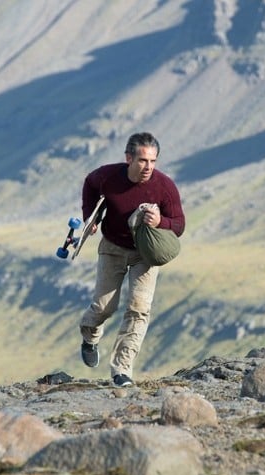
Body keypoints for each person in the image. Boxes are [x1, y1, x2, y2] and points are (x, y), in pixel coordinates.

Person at [78, 132, 185, 387]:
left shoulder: (164, 186)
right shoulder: (107, 176)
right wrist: (89, 218)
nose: (148, 167)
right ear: (129, 158)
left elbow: (179, 225)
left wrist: (161, 222)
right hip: (112, 247)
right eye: (143, 160)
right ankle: (90, 337)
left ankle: (122, 370)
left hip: (144, 254)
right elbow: (90, 185)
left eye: (153, 161)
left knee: (139, 309)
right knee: (104, 307)